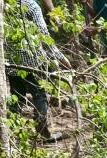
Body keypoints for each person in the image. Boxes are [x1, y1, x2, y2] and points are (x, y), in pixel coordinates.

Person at [8, 0, 65, 142]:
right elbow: (43, 35)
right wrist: (60, 57)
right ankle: (43, 130)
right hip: (33, 60)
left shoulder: (7, 6)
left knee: (16, 97)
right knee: (39, 95)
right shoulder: (32, 6)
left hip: (11, 61)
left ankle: (10, 134)